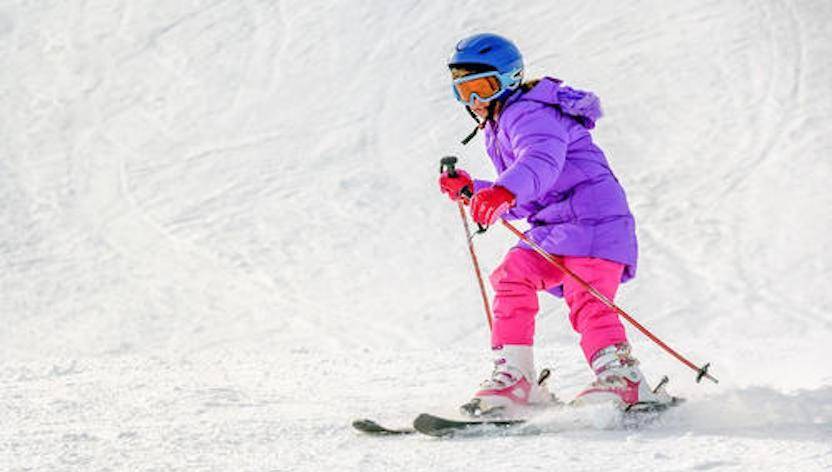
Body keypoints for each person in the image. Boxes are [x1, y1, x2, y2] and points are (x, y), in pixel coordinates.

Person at [439, 33, 665, 414]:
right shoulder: (499, 124)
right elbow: (528, 191)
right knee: (512, 275)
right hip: (556, 228)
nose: (474, 102)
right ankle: (516, 377)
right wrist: (476, 192)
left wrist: (504, 191)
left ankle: (622, 376)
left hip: (594, 219)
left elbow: (541, 161)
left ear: (508, 79)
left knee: (586, 295)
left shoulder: (529, 112)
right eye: (464, 92)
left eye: (482, 88)